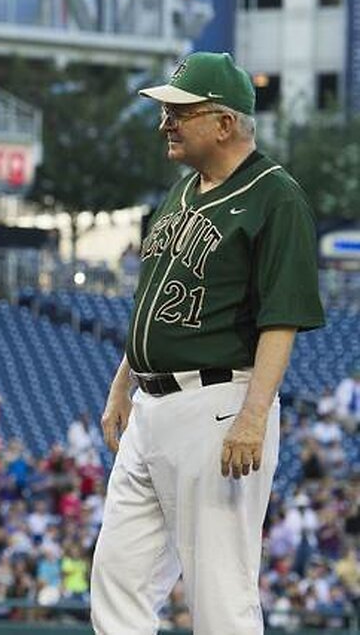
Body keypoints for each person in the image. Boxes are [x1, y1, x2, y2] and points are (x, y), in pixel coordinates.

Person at [92, 51, 326, 634]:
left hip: (219, 405)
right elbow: (157, 295)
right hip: (151, 405)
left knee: (220, 593)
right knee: (117, 578)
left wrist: (253, 417)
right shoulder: (182, 190)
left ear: (224, 123)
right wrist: (124, 384)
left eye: (180, 112)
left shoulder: (277, 196)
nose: (164, 123)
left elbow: (282, 319)